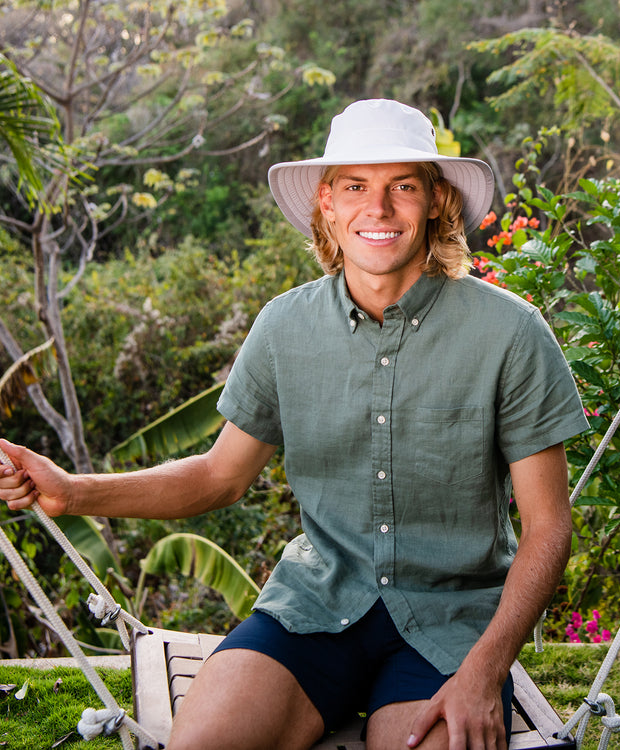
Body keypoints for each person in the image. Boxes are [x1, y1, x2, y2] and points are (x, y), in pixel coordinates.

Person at [0, 99, 589, 750]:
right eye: (357, 187)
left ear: (436, 202)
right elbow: (217, 478)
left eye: (403, 187)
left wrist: (485, 670)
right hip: (315, 607)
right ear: (327, 206)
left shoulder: (509, 334)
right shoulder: (284, 327)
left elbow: (547, 524)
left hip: (452, 625)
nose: (380, 209)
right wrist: (72, 491)